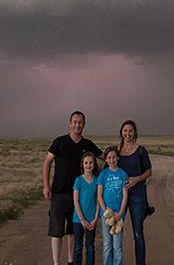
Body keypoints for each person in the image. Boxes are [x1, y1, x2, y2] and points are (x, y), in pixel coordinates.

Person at [44, 111, 103, 265]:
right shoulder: (59, 141)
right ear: (70, 123)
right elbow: (47, 162)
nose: (77, 125)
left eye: (80, 122)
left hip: (79, 196)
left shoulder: (87, 144)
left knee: (72, 231)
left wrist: (121, 153)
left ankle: (71, 262)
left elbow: (105, 156)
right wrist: (46, 185)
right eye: (75, 122)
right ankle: (56, 263)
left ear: (84, 124)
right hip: (59, 193)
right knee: (57, 231)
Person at [117, 120, 153, 265]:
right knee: (116, 231)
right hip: (119, 196)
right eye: (125, 130)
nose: (128, 134)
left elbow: (149, 171)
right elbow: (108, 168)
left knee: (138, 233)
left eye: (130, 131)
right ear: (121, 132)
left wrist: (137, 179)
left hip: (137, 195)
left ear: (135, 133)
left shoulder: (141, 151)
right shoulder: (116, 151)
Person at [97, 146, 128, 265]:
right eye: (109, 158)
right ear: (106, 159)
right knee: (107, 245)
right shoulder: (103, 174)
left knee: (117, 246)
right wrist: (106, 212)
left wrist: (120, 213)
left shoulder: (123, 174)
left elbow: (125, 195)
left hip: (119, 216)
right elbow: (99, 195)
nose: (112, 160)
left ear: (118, 158)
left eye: (114, 157)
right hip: (106, 215)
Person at [73, 151, 101, 265]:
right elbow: (76, 201)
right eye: (86, 163)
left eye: (91, 163)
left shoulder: (97, 180)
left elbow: (98, 200)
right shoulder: (78, 180)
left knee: (90, 246)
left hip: (92, 220)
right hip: (78, 219)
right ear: (82, 164)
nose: (88, 165)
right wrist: (82, 220)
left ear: (94, 164)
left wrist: (95, 218)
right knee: (78, 246)